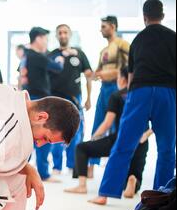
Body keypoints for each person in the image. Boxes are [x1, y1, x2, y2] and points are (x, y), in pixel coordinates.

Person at [95, 0, 176, 205]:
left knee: (124, 143)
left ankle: (105, 193)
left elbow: (130, 76)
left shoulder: (138, 40)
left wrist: (130, 100)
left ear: (144, 17)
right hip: (167, 93)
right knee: (167, 147)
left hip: (140, 91)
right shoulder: (173, 37)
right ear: (163, 16)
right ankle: (163, 197)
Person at [64, 67, 151, 200]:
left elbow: (107, 123)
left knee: (81, 148)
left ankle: (82, 185)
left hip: (120, 139)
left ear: (122, 79)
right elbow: (158, 120)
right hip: (141, 141)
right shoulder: (145, 96)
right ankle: (133, 181)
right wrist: (146, 134)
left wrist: (94, 137)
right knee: (134, 173)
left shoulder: (117, 95)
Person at [19, 27, 65, 182]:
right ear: (38, 38)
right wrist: (60, 59)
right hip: (38, 99)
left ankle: (22, 169)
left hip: (29, 99)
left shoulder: (26, 55)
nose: (46, 42)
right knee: (44, 133)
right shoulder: (36, 56)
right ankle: (44, 173)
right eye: (45, 38)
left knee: (28, 135)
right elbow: (57, 68)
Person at [48, 24, 93, 175]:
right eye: (59, 32)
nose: (62, 35)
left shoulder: (79, 53)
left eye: (65, 32)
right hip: (55, 99)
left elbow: (88, 76)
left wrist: (88, 98)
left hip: (75, 99)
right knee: (55, 130)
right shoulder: (51, 55)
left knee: (76, 132)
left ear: (70, 34)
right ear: (56, 35)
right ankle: (56, 166)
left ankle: (73, 165)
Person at [88, 16, 130, 176]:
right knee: (98, 123)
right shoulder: (103, 51)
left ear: (113, 26)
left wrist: (111, 74)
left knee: (116, 127)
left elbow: (130, 67)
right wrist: (93, 75)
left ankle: (117, 166)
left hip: (117, 88)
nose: (101, 29)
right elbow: (96, 72)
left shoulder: (123, 44)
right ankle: (91, 165)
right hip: (104, 89)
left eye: (104, 26)